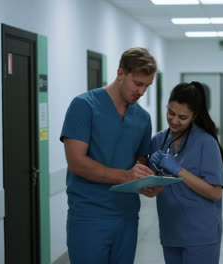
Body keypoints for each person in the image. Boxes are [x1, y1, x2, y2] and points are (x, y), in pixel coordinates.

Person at [60, 47, 163, 264]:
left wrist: (147, 183)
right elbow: (77, 163)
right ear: (120, 74)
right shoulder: (84, 106)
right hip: (89, 215)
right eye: (137, 83)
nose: (142, 92)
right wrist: (126, 177)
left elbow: (140, 162)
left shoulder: (142, 118)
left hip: (127, 215)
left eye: (147, 86)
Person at [149, 81, 223, 264]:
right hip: (170, 230)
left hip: (200, 234)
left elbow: (214, 193)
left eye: (182, 117)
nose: (174, 121)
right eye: (171, 113)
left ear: (194, 116)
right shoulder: (158, 141)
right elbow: (155, 189)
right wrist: (149, 180)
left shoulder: (206, 143)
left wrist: (178, 170)